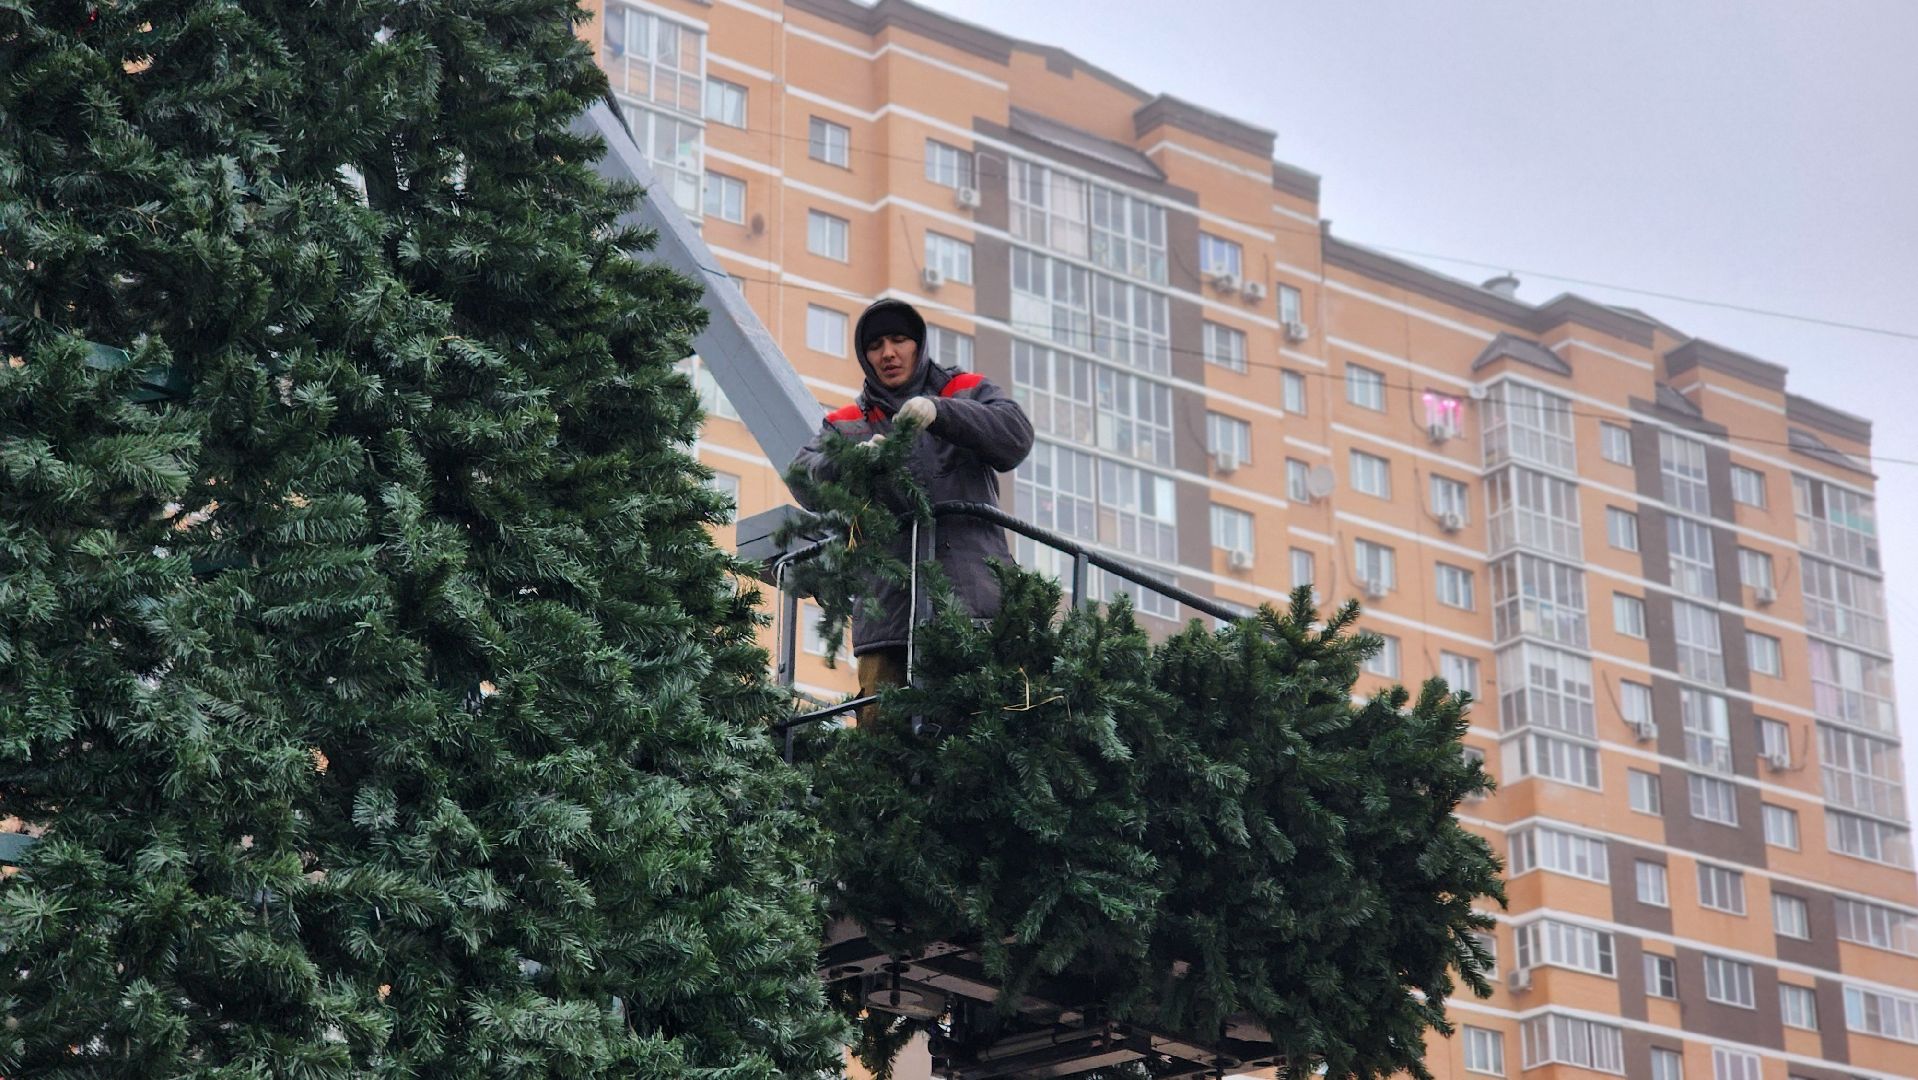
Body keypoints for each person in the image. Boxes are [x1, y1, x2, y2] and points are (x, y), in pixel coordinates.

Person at [791, 298, 1034, 717]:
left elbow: (1015, 436)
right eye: (875, 345)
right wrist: (853, 461)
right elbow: (803, 475)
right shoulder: (849, 422)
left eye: (899, 339)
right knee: (882, 742)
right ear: (864, 356)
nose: (887, 353)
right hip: (887, 621)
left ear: (918, 344)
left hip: (974, 610)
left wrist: (942, 412)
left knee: (976, 728)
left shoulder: (966, 390)